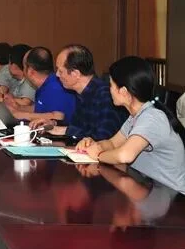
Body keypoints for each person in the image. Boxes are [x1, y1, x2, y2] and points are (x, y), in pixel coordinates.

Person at [75, 56, 185, 194]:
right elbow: (113, 143)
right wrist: (95, 145)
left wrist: (97, 155)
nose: (109, 90)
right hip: (150, 189)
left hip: (173, 198)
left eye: (111, 85)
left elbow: (125, 155)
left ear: (124, 92)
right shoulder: (135, 117)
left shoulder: (152, 118)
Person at [30, 44, 125, 140]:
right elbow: (79, 127)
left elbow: (103, 137)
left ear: (75, 74)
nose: (57, 75)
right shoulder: (81, 94)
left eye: (60, 71)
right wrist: (54, 124)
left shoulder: (105, 95)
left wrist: (65, 130)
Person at [6, 47, 76, 123]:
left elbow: (58, 117)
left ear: (30, 71)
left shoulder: (55, 89)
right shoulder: (48, 82)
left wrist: (19, 114)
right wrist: (18, 107)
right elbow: (41, 108)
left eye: (24, 67)